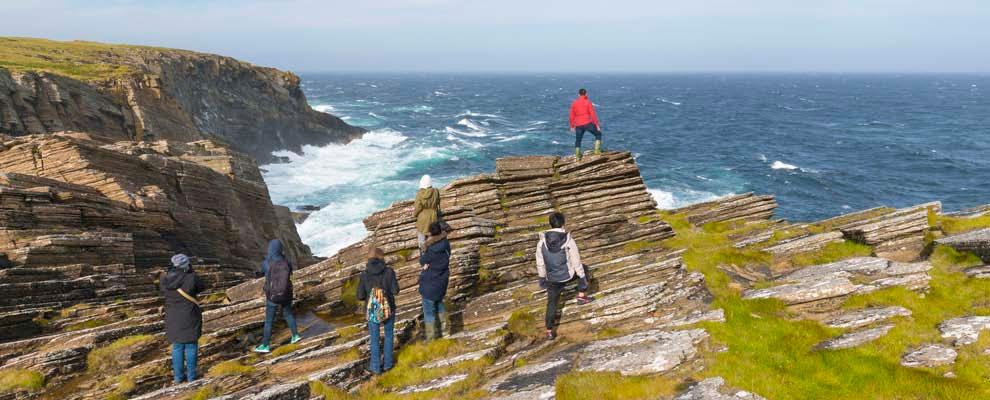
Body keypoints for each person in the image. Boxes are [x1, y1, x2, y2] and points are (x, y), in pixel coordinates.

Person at [535, 212, 594, 340]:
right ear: (563, 223)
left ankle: (549, 331)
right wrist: (582, 279)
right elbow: (576, 261)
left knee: (551, 303)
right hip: (568, 275)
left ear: (550, 224)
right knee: (584, 268)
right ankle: (581, 296)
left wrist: (542, 279)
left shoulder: (542, 242)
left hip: (552, 279)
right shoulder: (568, 239)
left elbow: (540, 264)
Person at [160, 253, 205, 384]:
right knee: (191, 345)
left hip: (172, 317)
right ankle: (191, 377)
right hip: (190, 315)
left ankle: (178, 378)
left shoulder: (165, 278)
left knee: (177, 346)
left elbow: (163, 290)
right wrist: (191, 271)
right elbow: (201, 287)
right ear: (187, 265)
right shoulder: (191, 277)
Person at [357, 247, 400, 375]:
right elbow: (395, 291)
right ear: (382, 257)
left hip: (372, 310)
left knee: (374, 338)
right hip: (389, 308)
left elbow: (360, 295)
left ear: (369, 258)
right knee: (388, 335)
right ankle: (388, 364)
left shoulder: (364, 275)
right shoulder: (389, 271)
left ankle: (375, 367)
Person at [253, 239, 301, 353]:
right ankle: (295, 336)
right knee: (288, 314)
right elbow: (290, 273)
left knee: (269, 321)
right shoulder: (286, 261)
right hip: (286, 294)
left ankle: (265, 345)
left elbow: (262, 272)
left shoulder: (266, 262)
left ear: (270, 249)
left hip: (272, 296)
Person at [418, 222, 451, 340]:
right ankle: (446, 332)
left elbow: (422, 261)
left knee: (428, 312)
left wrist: (425, 263)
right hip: (442, 282)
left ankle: (431, 338)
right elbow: (447, 255)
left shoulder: (430, 250)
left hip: (430, 284)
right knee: (439, 304)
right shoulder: (446, 244)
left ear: (431, 233)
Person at [568, 88, 602, 161]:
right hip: (587, 123)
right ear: (586, 94)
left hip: (578, 125)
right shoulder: (588, 102)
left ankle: (577, 156)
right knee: (598, 134)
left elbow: (571, 116)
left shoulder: (574, 103)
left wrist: (571, 126)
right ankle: (596, 151)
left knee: (578, 140)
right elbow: (593, 114)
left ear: (578, 94)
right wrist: (597, 125)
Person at [414, 174, 441, 250]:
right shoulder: (436, 191)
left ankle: (423, 254)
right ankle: (433, 252)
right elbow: (438, 202)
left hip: (422, 217)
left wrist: (415, 215)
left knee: (421, 236)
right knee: (433, 235)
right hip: (433, 215)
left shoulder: (419, 194)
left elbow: (418, 207)